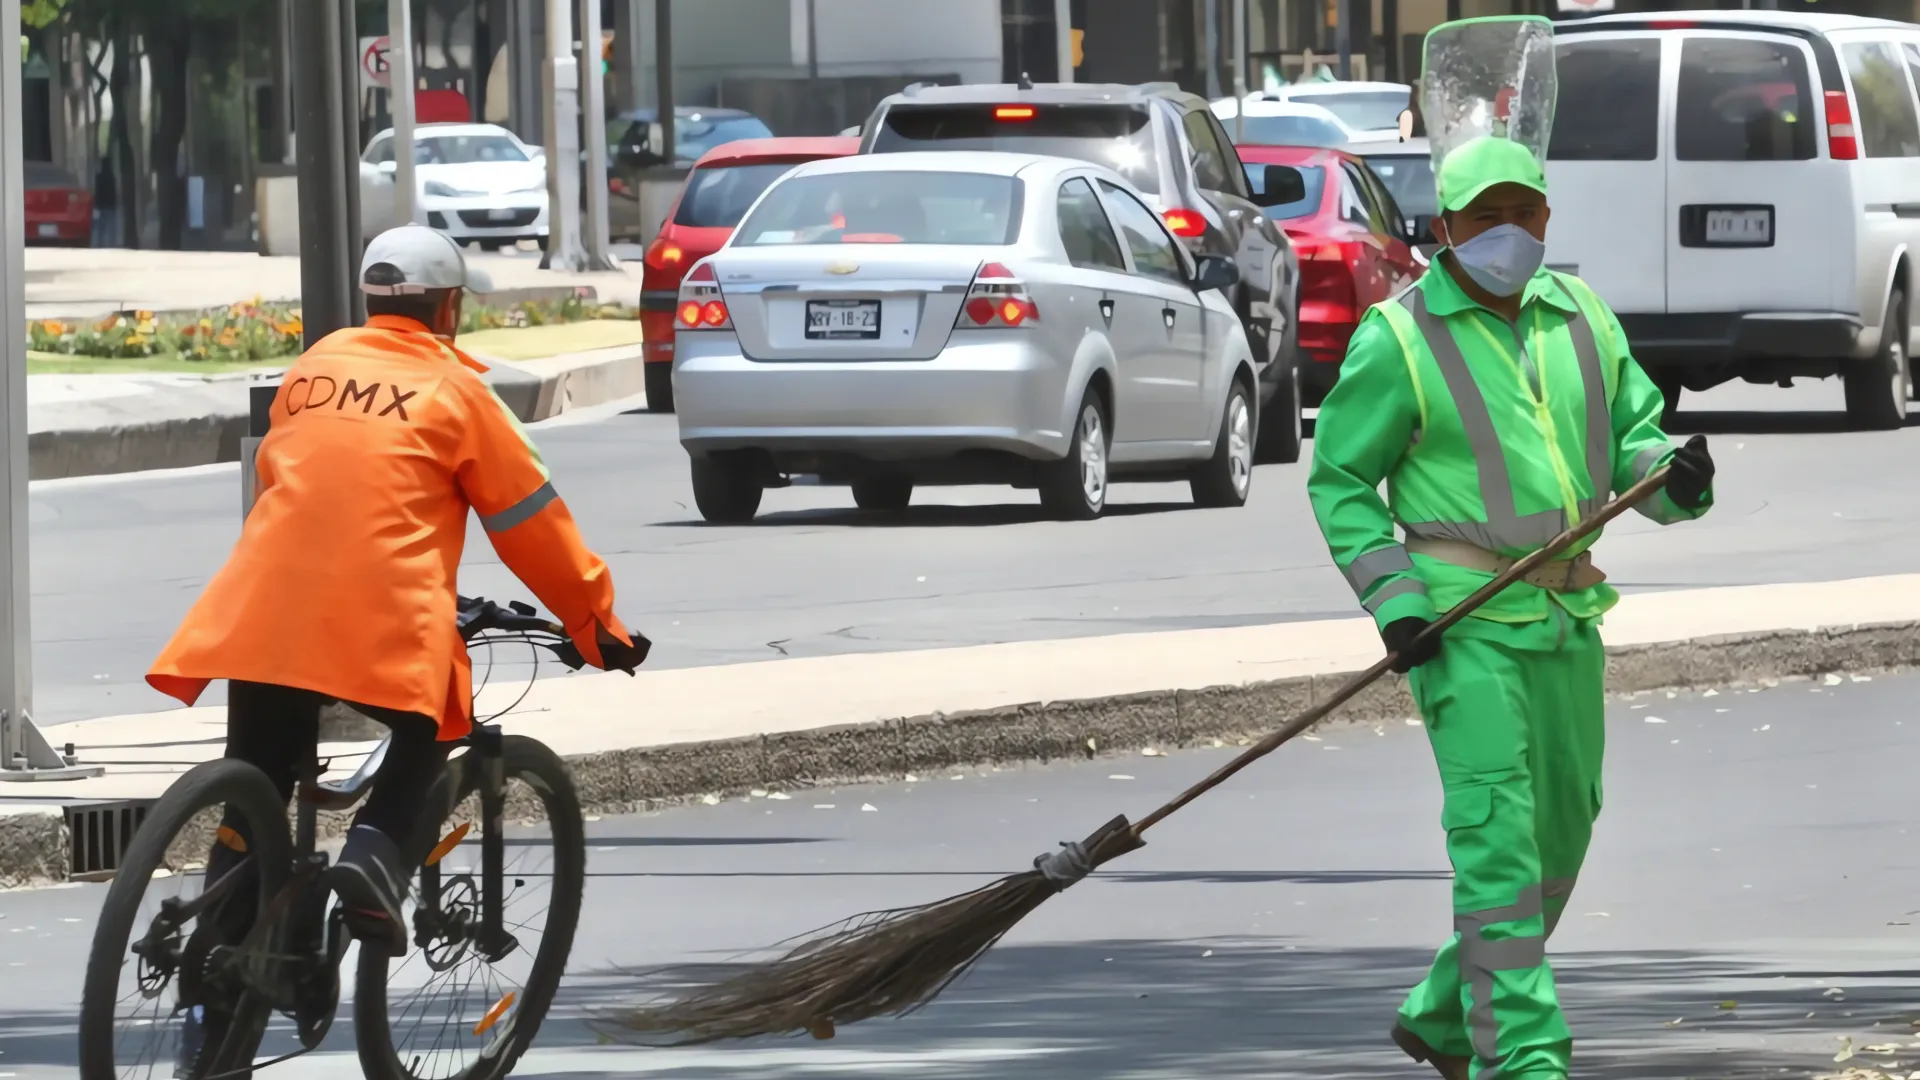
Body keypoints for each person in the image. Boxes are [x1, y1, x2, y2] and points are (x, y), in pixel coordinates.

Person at [147, 224, 645, 1071]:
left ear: (372, 303)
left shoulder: (315, 366)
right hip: (378, 617)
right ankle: (376, 860)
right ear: (450, 308)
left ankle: (211, 1012)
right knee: (429, 725)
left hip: (259, 609)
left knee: (256, 795)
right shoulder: (459, 393)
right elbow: (533, 525)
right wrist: (597, 628)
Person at [1305, 133, 1717, 1080]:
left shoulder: (1581, 317)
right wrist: (1397, 604)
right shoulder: (1399, 338)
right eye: (1481, 218)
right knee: (1497, 848)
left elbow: (1636, 453)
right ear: (1445, 229)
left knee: (1559, 837)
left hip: (1569, 617)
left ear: (1545, 218)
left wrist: (1678, 476)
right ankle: (1524, 1062)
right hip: (1464, 624)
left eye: (1520, 213)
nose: (1505, 233)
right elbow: (1341, 485)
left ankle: (1449, 1015)